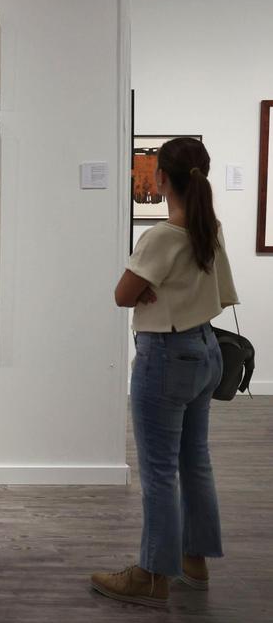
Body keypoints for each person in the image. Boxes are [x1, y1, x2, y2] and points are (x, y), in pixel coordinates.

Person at [92, 137, 238, 608]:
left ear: (160, 179)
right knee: (195, 462)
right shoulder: (207, 229)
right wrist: (167, 291)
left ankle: (152, 575)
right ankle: (194, 563)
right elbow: (221, 293)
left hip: (166, 356)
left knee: (158, 471)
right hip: (205, 348)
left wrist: (149, 290)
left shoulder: (161, 236)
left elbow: (121, 293)